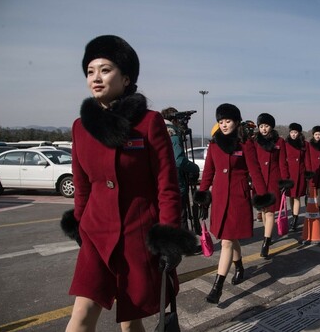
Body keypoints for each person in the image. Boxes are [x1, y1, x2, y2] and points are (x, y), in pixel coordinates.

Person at [60, 35, 196, 332]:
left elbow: (167, 185)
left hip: (137, 235)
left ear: (126, 78)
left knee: (130, 319)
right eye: (90, 71)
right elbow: (82, 186)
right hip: (95, 235)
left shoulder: (148, 123)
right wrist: (81, 225)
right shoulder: (80, 128)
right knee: (81, 315)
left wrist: (167, 238)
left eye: (105, 70)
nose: (96, 78)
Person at [193, 103, 274, 304]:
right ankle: (238, 266)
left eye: (228, 121)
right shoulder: (213, 145)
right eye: (220, 122)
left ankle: (217, 287)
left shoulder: (245, 144)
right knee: (231, 237)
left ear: (236, 122)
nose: (224, 125)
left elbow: (255, 172)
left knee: (228, 240)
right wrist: (203, 196)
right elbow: (208, 173)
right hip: (220, 198)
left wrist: (262, 196)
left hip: (238, 198)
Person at [253, 113, 292, 257]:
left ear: (271, 126)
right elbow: (253, 162)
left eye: (266, 126)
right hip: (259, 180)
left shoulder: (279, 141)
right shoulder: (254, 141)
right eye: (261, 126)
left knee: (270, 212)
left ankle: (266, 242)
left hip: (273, 180)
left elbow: (282, 162)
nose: (263, 129)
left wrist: (284, 180)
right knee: (264, 211)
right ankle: (266, 233)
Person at [161, 107, 200, 231]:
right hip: (177, 182)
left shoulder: (159, 130)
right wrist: (194, 168)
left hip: (164, 181)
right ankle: (184, 244)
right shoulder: (172, 134)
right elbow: (179, 160)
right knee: (181, 214)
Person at [284, 123, 307, 231]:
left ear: (299, 133)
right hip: (289, 173)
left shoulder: (303, 144)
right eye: (292, 132)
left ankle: (295, 219)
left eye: (295, 132)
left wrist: (308, 173)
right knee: (291, 196)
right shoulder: (286, 144)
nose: (293, 134)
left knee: (297, 196)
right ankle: (293, 214)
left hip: (300, 173)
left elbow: (306, 159)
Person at [306, 125, 320, 212]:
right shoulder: (309, 145)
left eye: (319, 134)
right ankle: (312, 207)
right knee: (312, 189)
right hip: (313, 170)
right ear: (313, 135)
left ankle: (319, 208)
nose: (318, 136)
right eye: (316, 134)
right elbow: (307, 157)